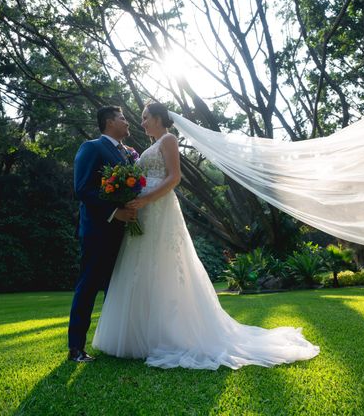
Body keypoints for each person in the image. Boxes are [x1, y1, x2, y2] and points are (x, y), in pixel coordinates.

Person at [92, 102, 319, 370]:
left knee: (164, 265)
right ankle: (140, 335)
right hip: (143, 213)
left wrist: (146, 200)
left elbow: (174, 178)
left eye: (144, 117)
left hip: (159, 208)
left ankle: (170, 334)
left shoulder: (168, 139)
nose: (141, 123)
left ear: (157, 117)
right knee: (142, 267)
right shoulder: (145, 149)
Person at [67, 106, 139, 363]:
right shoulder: (92, 148)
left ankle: (115, 343)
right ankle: (76, 348)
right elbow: (83, 189)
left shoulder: (130, 153)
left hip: (126, 233)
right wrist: (114, 212)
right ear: (109, 122)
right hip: (98, 230)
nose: (127, 122)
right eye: (123, 118)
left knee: (117, 288)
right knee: (88, 287)